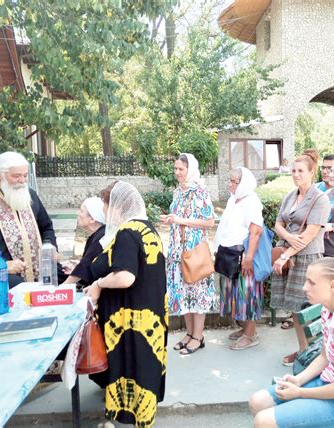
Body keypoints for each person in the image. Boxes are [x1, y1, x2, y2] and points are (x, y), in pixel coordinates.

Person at [249, 255, 334, 428]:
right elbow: (324, 357)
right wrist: (299, 380)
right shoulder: (329, 310)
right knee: (257, 402)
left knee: (263, 421)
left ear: (333, 285)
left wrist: (300, 392)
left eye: (311, 282)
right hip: (329, 381)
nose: (305, 288)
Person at [83, 181, 167, 427]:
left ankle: (123, 419)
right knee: (142, 367)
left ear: (117, 207)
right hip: (147, 312)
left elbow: (125, 276)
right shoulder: (147, 228)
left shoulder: (127, 233)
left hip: (130, 320)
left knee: (130, 368)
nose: (106, 212)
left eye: (106, 206)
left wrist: (98, 285)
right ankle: (139, 418)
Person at [0, 151, 62, 292]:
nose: (22, 181)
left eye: (24, 176)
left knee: (66, 276)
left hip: (35, 268)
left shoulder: (30, 195)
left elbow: (46, 227)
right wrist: (1, 265)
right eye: (16, 176)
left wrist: (50, 249)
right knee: (16, 284)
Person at [270, 149, 330, 365]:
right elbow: (278, 224)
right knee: (295, 309)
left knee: (309, 308)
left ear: (312, 172)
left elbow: (310, 235)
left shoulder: (320, 199)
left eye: (300, 171)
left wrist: (285, 254)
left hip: (306, 259)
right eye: (293, 170)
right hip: (288, 255)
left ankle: (318, 355)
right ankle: (303, 349)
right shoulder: (290, 196)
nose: (295, 174)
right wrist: (288, 237)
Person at [162, 153, 216, 355]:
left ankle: (198, 336)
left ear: (190, 170)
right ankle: (189, 333)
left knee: (197, 293)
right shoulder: (178, 192)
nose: (177, 173)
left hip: (194, 250)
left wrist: (179, 220)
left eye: (181, 169)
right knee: (183, 293)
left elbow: (209, 222)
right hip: (178, 250)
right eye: (175, 169)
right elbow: (178, 219)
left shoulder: (199, 191)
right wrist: (171, 219)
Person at [215, 167, 264, 350]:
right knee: (234, 295)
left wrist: (249, 257)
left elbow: (255, 231)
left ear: (244, 183)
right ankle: (246, 329)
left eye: (235, 181)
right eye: (231, 180)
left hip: (242, 255)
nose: (231, 184)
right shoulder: (233, 200)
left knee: (247, 295)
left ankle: (250, 335)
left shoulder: (251, 201)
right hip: (229, 254)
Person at [61, 197, 105, 286]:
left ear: (92, 219)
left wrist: (61, 288)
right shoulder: (98, 234)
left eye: (81, 211)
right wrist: (78, 265)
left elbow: (85, 266)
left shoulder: (101, 237)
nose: (78, 213)